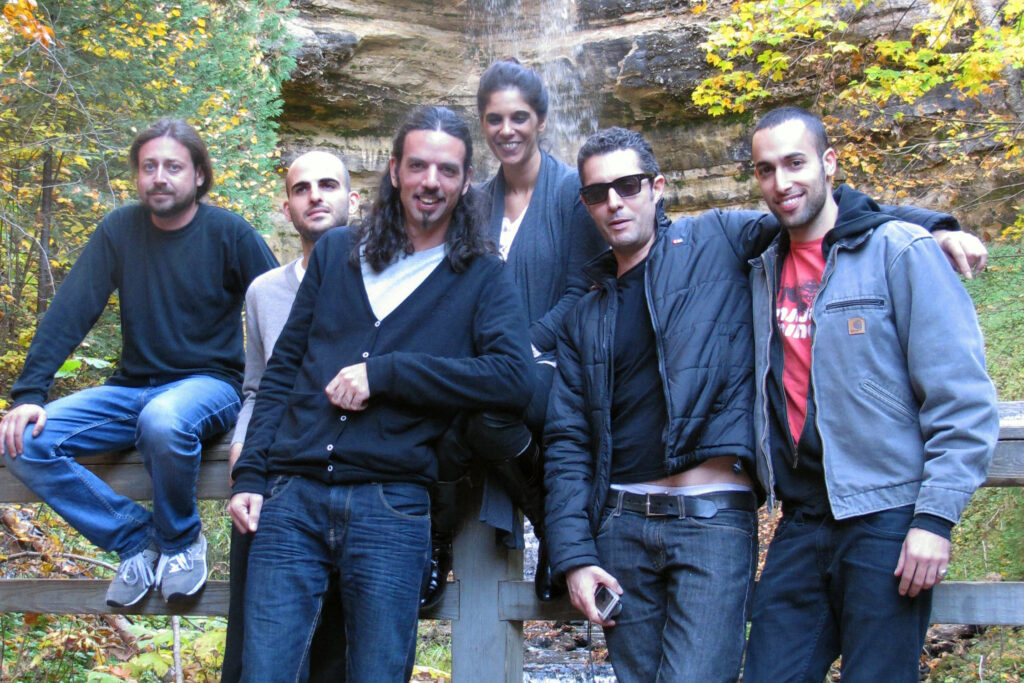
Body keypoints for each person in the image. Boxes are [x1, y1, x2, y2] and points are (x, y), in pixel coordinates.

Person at [542, 126, 986, 682]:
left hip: (716, 522)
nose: (614, 202)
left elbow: (818, 211)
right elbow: (567, 443)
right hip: (626, 528)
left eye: (628, 185)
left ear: (657, 187)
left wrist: (934, 228)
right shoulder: (586, 311)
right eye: (596, 193)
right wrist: (576, 556)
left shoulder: (717, 239)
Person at [228, 105, 533, 682]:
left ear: (466, 181)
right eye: (418, 166)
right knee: (262, 672)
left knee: (378, 674)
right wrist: (251, 477)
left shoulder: (480, 274)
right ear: (393, 170)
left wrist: (389, 373)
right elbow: (283, 371)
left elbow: (512, 377)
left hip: (392, 505)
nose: (430, 182)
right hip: (293, 497)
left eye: (447, 170)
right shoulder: (339, 253)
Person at [743, 106, 998, 682]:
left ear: (829, 162)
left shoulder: (900, 252)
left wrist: (934, 521)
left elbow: (962, 400)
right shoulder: (759, 262)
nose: (781, 183)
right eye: (765, 170)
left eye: (795, 163)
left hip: (885, 518)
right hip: (802, 518)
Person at [0, 119, 278, 607]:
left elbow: (282, 310)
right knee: (21, 442)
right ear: (137, 175)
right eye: (149, 167)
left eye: (173, 166)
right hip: (131, 389)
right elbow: (70, 312)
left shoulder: (229, 234)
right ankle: (135, 539)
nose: (159, 177)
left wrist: (279, 408)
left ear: (198, 175)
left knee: (164, 420)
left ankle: (181, 541)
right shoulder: (120, 230)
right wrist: (28, 395)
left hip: (209, 385)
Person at [423, 58, 606, 609]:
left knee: (485, 414)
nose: (507, 130)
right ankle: (439, 545)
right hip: (486, 363)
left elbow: (586, 290)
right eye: (495, 119)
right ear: (482, 125)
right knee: (445, 421)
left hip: (557, 364)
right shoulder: (473, 202)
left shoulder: (575, 193)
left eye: (519, 117)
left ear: (542, 121)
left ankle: (546, 524)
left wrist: (526, 344)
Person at [221, 150, 359, 682]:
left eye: (328, 185)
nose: (315, 196)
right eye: (302, 189)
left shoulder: (382, 281)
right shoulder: (264, 292)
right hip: (274, 475)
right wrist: (243, 443)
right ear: (286, 207)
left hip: (350, 477)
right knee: (259, 634)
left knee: (339, 642)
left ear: (354, 198)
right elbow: (256, 386)